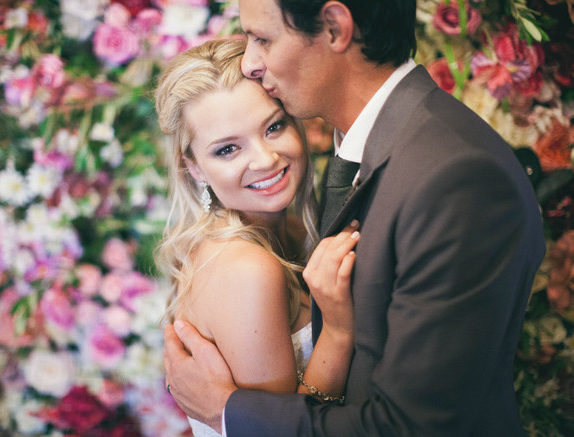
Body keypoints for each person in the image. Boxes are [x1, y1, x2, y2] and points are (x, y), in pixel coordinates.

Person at [163, 1, 546, 436]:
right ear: (191, 165)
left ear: (334, 27)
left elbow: (414, 426)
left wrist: (227, 410)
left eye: (263, 39)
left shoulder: (457, 177)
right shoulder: (371, 152)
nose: (252, 63)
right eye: (227, 148)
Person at [154, 38, 361, 436]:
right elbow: (281, 429)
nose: (265, 159)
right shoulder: (246, 268)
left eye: (274, 126)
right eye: (228, 149)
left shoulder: (291, 232)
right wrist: (337, 330)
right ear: (193, 167)